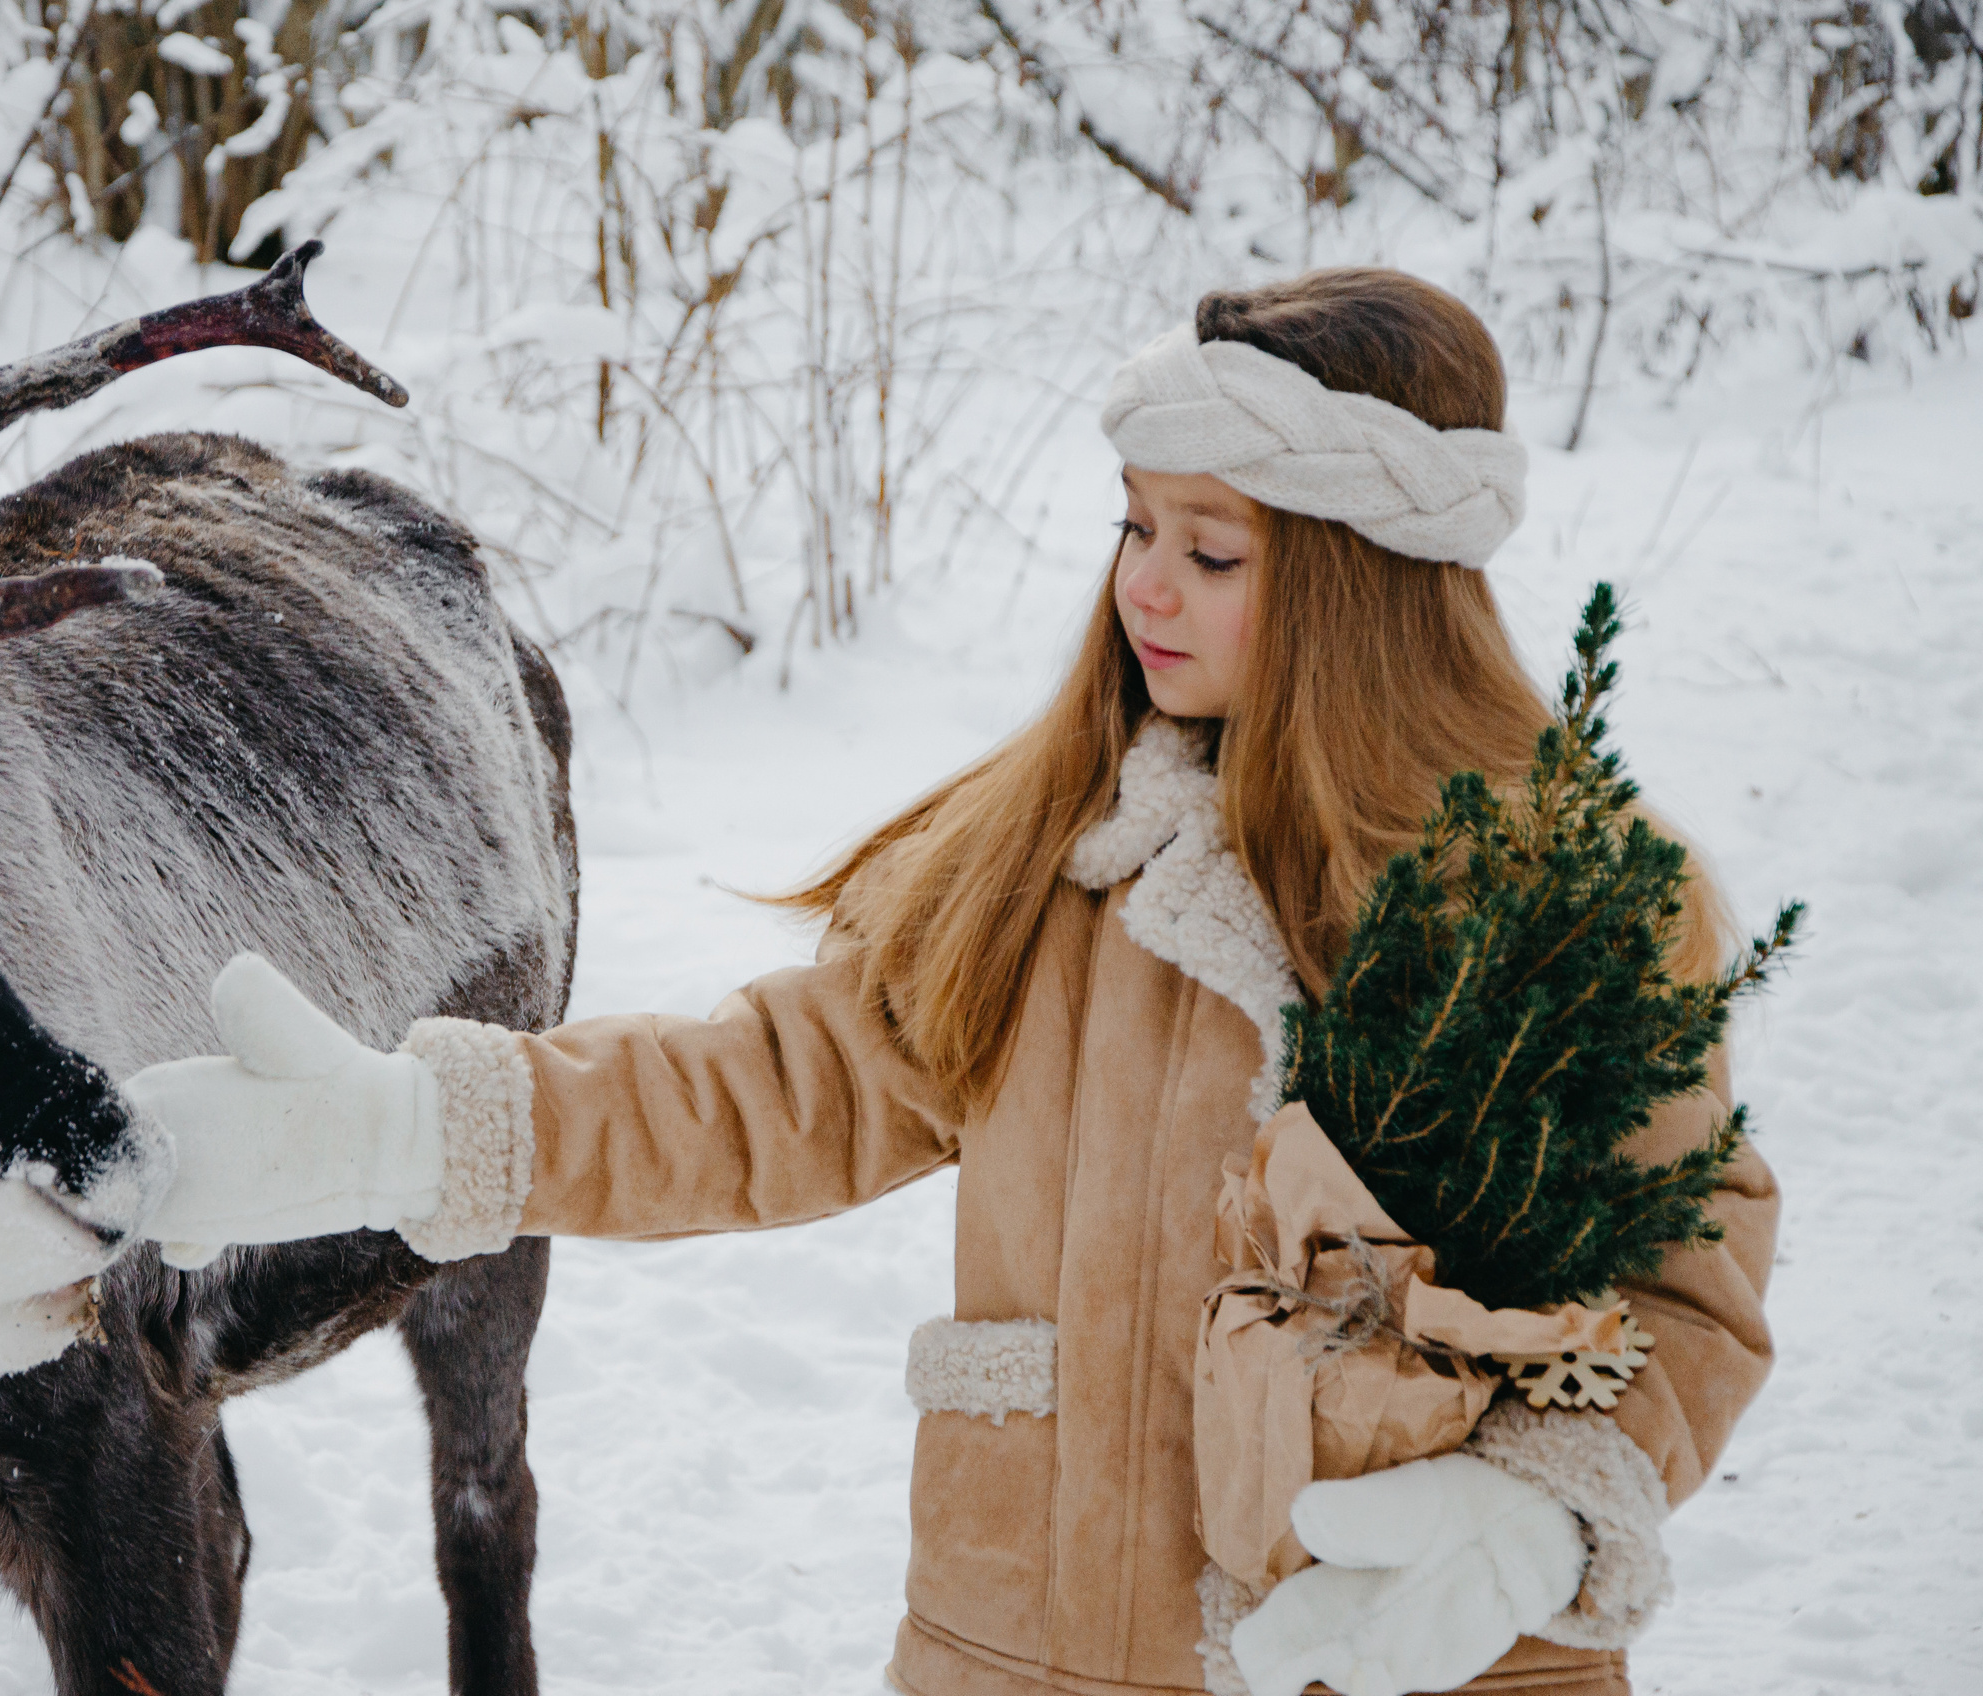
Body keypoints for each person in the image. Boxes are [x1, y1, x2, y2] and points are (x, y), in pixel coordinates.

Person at [123, 269, 1778, 1696]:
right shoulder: (1058, 857)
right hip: (1033, 1642)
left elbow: (1686, 1288)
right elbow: (775, 1089)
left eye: (1216, 549)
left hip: (1436, 1658)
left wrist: (1541, 1511)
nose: (1145, 585)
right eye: (1138, 527)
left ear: (1367, 579)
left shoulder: (1559, 906)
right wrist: (424, 1128)